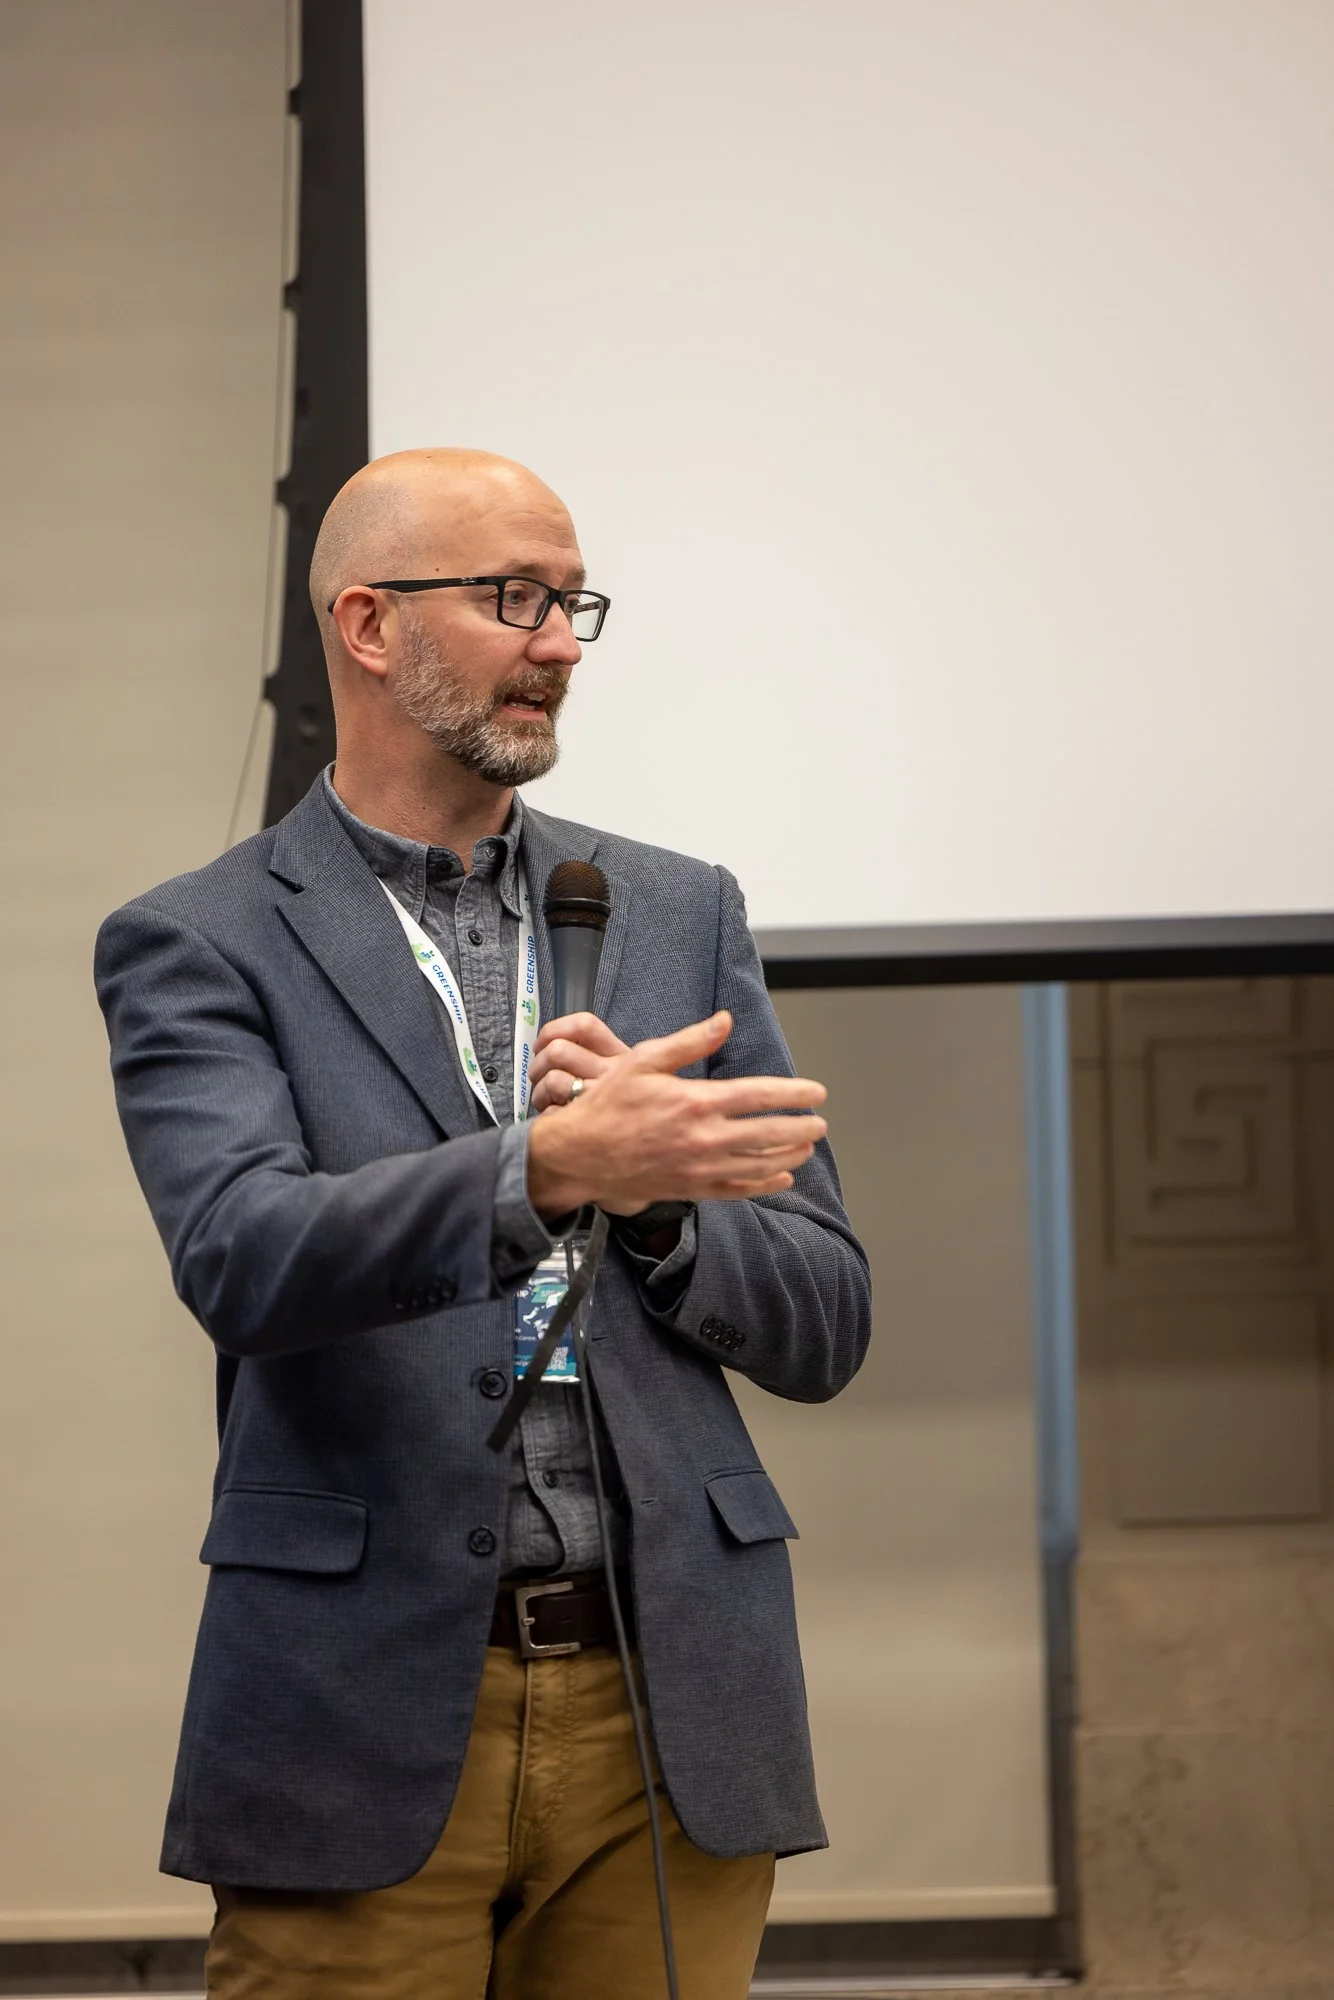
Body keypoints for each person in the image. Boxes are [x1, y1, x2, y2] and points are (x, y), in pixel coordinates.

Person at [95, 447, 872, 2000]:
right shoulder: (201, 939)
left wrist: (655, 1210)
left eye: (573, 602)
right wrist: (549, 1168)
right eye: (514, 598)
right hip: (363, 1703)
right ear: (369, 624)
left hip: (668, 1702)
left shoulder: (676, 910)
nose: (561, 643)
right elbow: (244, 1255)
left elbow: (826, 1318)